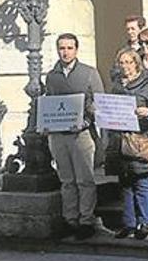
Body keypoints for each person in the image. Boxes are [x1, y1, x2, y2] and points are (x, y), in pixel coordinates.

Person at [44, 33, 105, 240]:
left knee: (84, 179)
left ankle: (86, 220)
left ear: (76, 50)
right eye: (62, 48)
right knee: (67, 179)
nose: (65, 52)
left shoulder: (89, 73)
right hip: (58, 134)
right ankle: (70, 219)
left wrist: (90, 114)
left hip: (81, 134)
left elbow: (99, 103)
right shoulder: (52, 76)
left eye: (70, 48)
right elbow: (49, 102)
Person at [107, 49, 148, 240]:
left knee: (142, 181)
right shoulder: (116, 86)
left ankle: (144, 222)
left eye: (129, 62)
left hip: (140, 140)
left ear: (136, 63)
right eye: (122, 62)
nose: (125, 66)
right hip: (120, 140)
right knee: (125, 183)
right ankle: (128, 223)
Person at [109, 15, 146, 84]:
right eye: (128, 29)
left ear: (141, 29)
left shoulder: (147, 50)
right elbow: (114, 72)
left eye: (133, 29)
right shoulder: (122, 51)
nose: (130, 32)